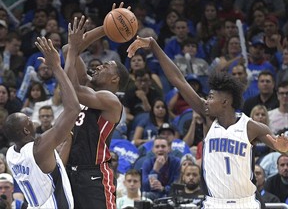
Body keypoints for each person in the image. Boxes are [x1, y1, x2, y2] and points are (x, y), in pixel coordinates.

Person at [127, 36, 288, 208]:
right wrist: (154, 46)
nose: (207, 101)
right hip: (214, 203)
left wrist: (282, 146)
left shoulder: (251, 127)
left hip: (246, 203)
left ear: (225, 102)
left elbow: (280, 147)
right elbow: (179, 81)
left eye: (211, 97)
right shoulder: (208, 118)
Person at [4, 36, 80, 208]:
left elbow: (51, 169)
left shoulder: (11, 154)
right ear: (25, 131)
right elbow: (73, 109)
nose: (32, 120)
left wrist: (66, 143)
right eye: (28, 120)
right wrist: (56, 67)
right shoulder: (39, 147)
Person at [63, 12, 129, 209]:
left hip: (94, 175)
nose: (99, 66)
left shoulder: (111, 100)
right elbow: (69, 49)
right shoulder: (88, 87)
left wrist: (75, 48)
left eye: (106, 66)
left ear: (115, 79)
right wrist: (105, 28)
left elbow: (70, 89)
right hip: (70, 171)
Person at [142, 136, 180, 200]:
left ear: (169, 149)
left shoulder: (176, 162)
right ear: (153, 150)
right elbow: (145, 186)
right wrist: (155, 169)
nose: (160, 149)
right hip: (153, 196)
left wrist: (163, 188)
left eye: (163, 146)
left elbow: (178, 185)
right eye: (157, 147)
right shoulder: (147, 163)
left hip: (171, 196)